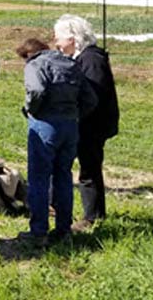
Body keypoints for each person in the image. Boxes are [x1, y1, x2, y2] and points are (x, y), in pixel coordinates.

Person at [15, 37, 98, 246]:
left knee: (39, 179)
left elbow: (36, 90)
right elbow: (91, 99)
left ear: (28, 55)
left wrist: (31, 110)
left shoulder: (35, 64)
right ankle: (64, 231)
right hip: (70, 127)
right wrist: (73, 114)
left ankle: (39, 232)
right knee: (64, 177)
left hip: (45, 125)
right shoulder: (70, 63)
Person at [53, 15, 119, 232]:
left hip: (92, 125)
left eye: (59, 38)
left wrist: (75, 116)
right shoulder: (86, 57)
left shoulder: (91, 60)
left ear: (72, 39)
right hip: (88, 122)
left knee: (89, 169)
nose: (57, 44)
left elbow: (93, 96)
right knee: (82, 165)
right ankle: (60, 205)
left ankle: (92, 217)